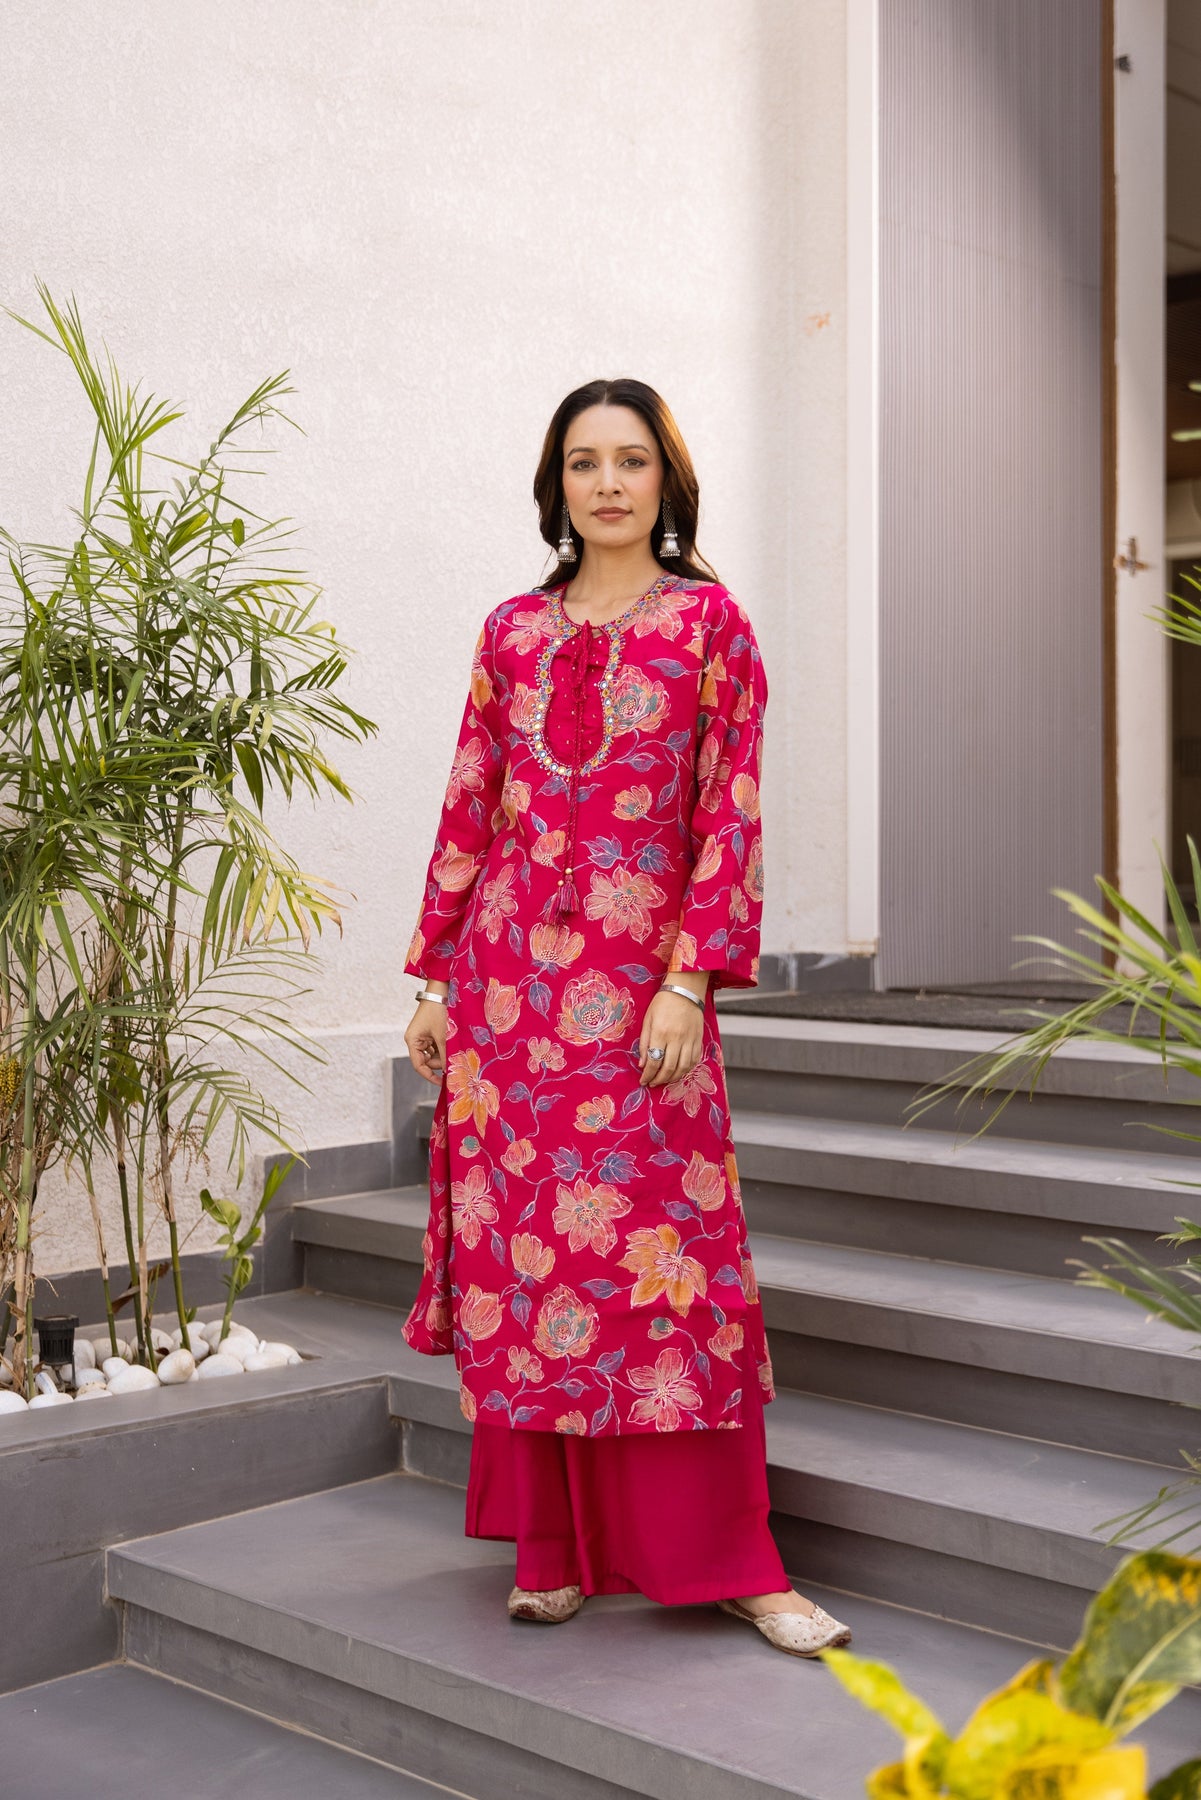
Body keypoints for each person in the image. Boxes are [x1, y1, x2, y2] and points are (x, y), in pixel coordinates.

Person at [402, 378, 851, 1658]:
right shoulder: (509, 631)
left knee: (666, 1263)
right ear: (556, 485)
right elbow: (471, 798)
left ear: (667, 480)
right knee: (533, 1261)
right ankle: (554, 1549)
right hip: (508, 991)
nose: (607, 483)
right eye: (584, 462)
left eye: (631, 460)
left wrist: (688, 982)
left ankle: (735, 1563)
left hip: (645, 988)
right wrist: (434, 977)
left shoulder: (711, 626)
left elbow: (728, 812)